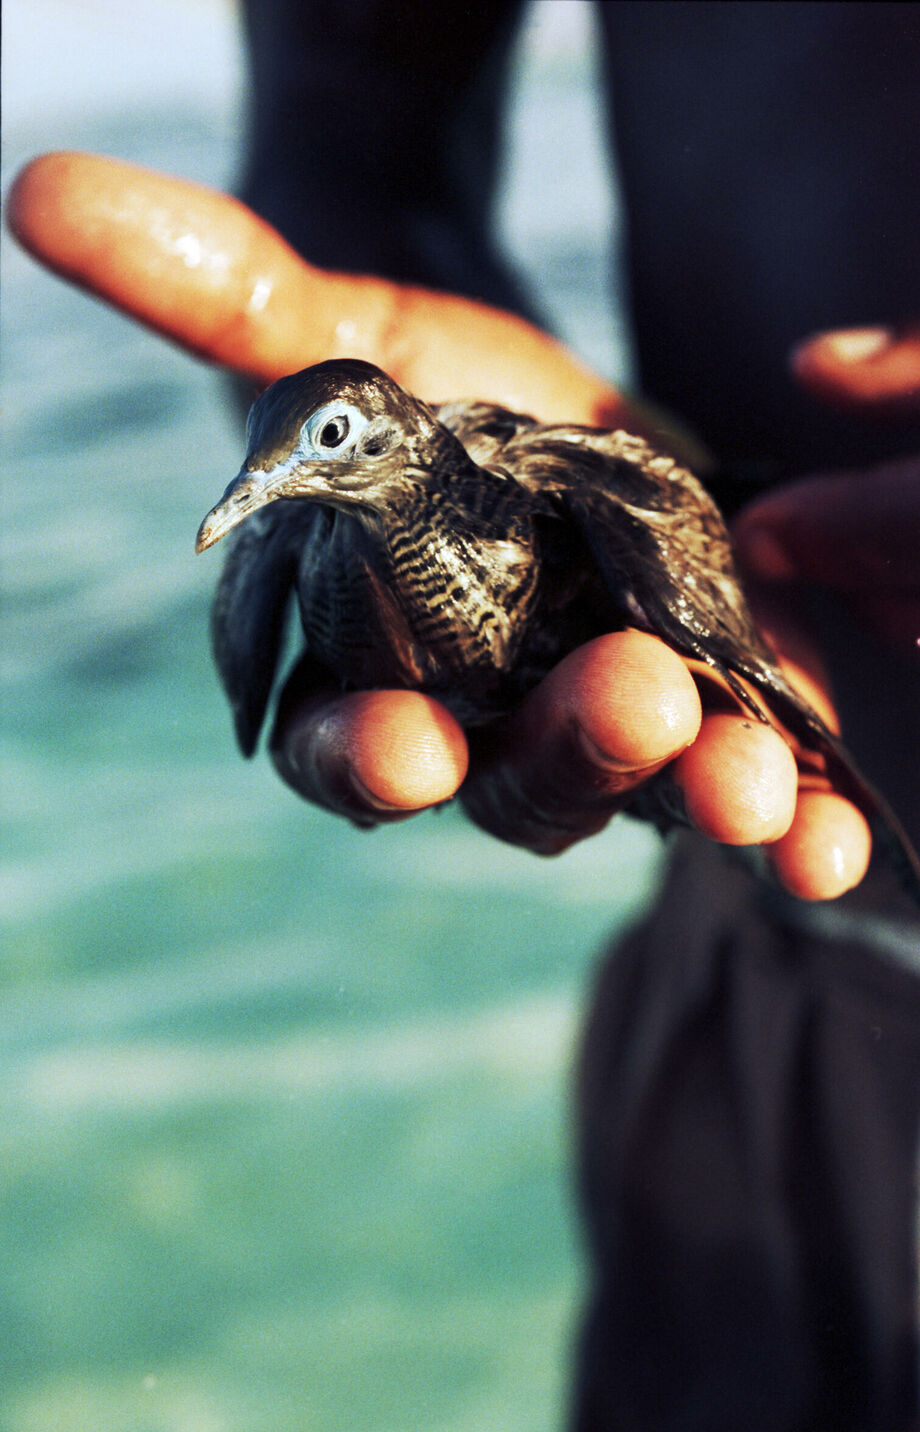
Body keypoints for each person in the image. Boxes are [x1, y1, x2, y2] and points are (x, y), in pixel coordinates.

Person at [9, 3, 920, 1426]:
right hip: (790, 969)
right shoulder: (330, 539)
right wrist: (335, 307)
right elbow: (351, 110)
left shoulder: (563, 505)